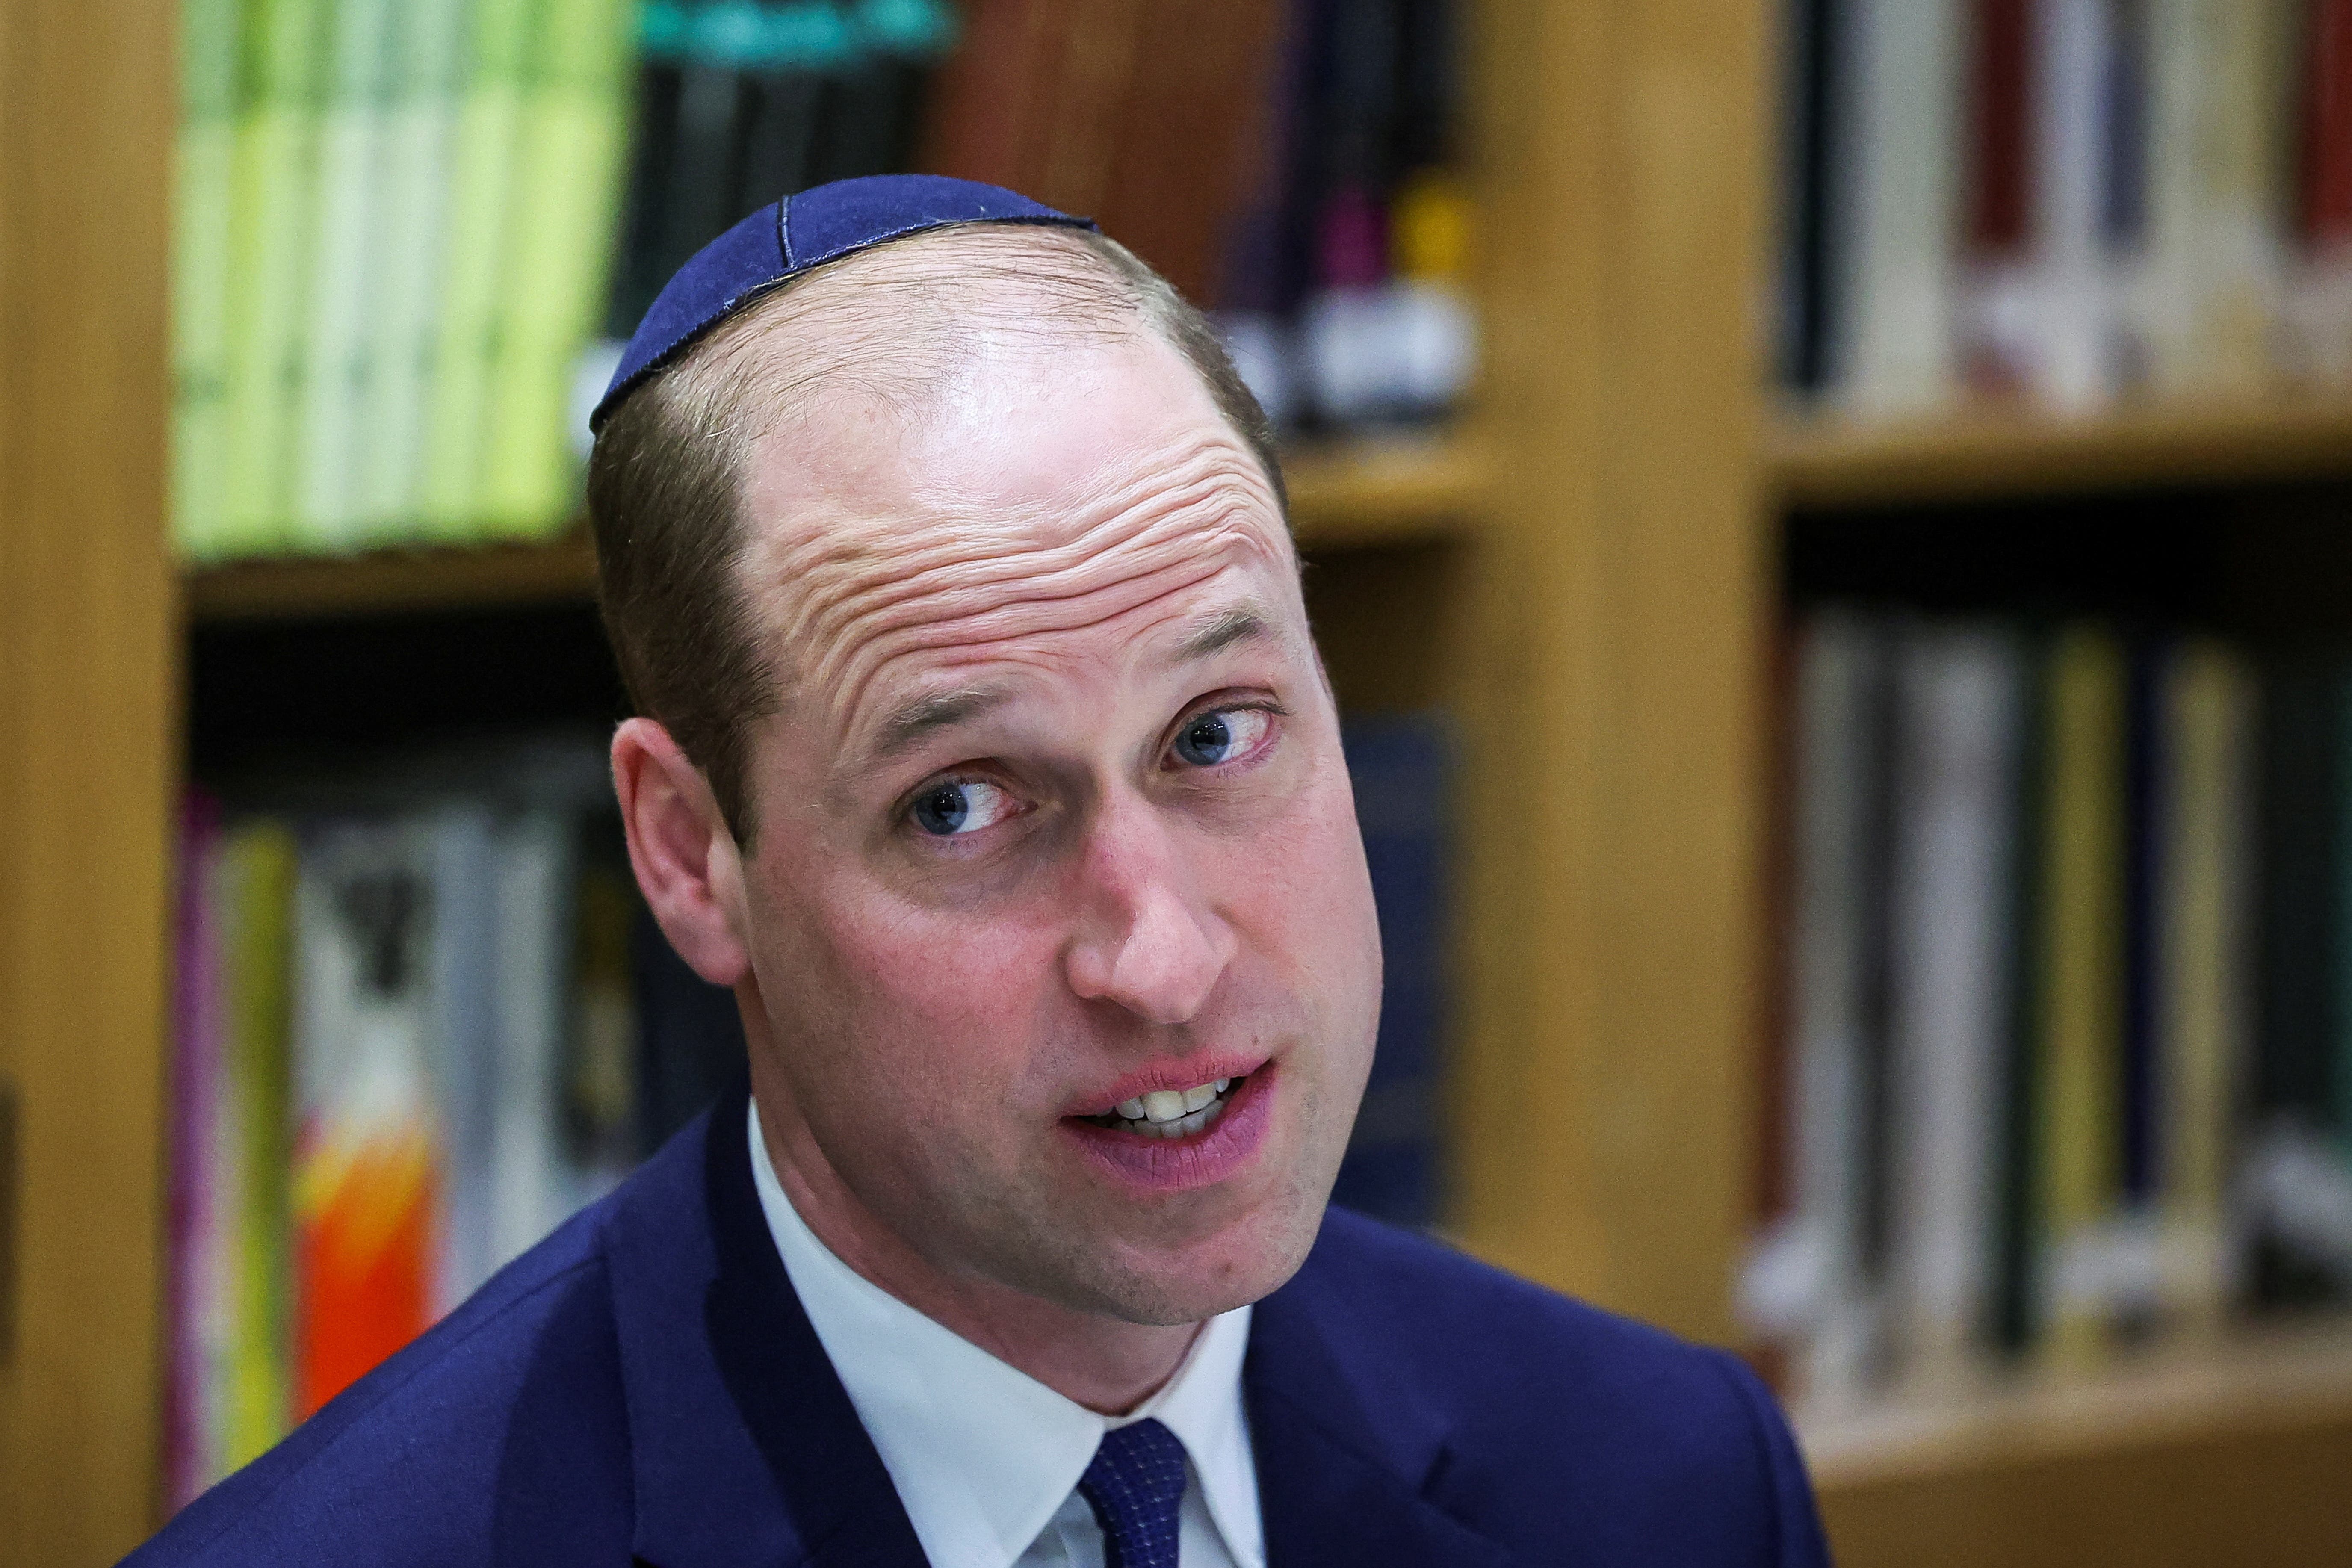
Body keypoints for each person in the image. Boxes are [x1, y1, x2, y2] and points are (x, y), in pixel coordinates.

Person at [127, 176, 1829, 1568]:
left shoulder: (1668, 1483)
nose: (1157, 958)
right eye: (959, 806)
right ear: (688, 855)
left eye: (1218, 732)